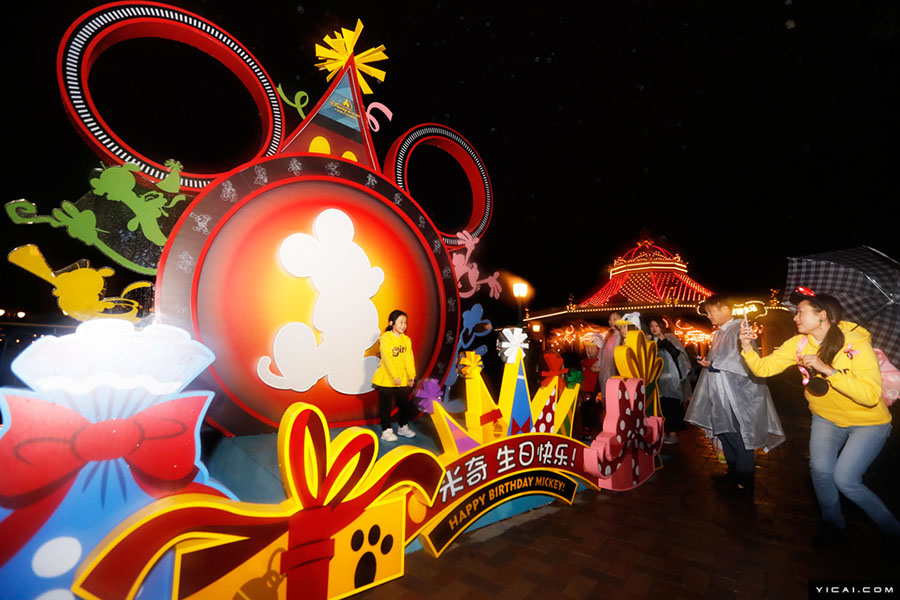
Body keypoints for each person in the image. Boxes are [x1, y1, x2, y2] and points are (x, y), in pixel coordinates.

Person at [740, 287, 900, 543]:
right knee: (821, 471)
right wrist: (748, 347)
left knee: (846, 480)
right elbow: (763, 369)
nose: (795, 318)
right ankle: (833, 524)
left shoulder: (856, 345)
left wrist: (829, 371)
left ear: (822, 316)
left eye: (801, 312)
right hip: (826, 418)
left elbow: (870, 396)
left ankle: (892, 530)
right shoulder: (799, 344)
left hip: (868, 423)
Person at [685, 295, 785, 495]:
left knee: (740, 436)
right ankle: (732, 471)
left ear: (725, 309)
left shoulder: (740, 328)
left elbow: (742, 361)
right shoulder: (720, 332)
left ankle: (745, 480)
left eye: (711, 310)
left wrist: (713, 364)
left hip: (738, 395)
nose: (709, 315)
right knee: (724, 433)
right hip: (721, 392)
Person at [371, 309, 417, 442]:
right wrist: (394, 376)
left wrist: (411, 376)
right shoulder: (385, 338)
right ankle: (386, 430)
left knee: (404, 404)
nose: (403, 325)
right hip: (387, 378)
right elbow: (387, 358)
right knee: (385, 406)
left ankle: (403, 427)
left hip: (401, 379)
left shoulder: (406, 340)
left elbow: (409, 358)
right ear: (392, 323)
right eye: (400, 322)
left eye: (405, 322)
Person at [647, 316, 692, 445]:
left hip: (672, 378)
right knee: (662, 407)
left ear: (662, 326)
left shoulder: (670, 338)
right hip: (658, 379)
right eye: (652, 326)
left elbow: (677, 354)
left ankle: (673, 434)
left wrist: (663, 341)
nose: (654, 329)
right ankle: (664, 432)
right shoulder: (651, 341)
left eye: (656, 325)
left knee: (673, 406)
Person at [580, 334, 602, 440]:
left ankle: (590, 432)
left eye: (592, 347)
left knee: (590, 411)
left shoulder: (600, 363)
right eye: (588, 347)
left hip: (594, 392)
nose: (589, 350)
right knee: (584, 411)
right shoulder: (583, 362)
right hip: (584, 392)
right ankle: (586, 431)